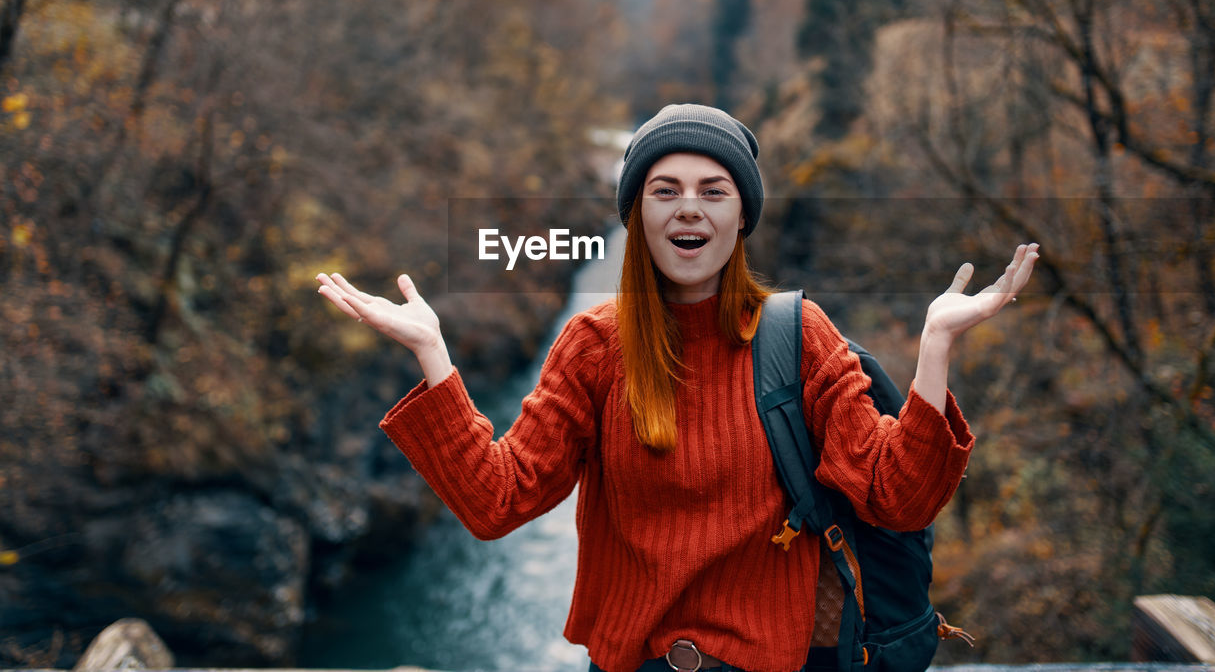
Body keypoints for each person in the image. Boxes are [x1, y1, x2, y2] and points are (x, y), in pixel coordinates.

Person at [316, 104, 1038, 672]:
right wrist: (432, 352)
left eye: (712, 192)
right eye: (665, 191)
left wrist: (936, 347)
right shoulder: (594, 346)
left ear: (740, 216)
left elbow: (899, 496)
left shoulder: (799, 336)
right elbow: (497, 500)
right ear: (637, 216)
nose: (688, 208)